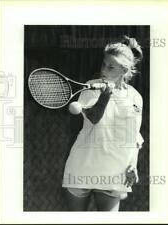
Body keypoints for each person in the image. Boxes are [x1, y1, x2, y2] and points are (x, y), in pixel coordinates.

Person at [62, 36, 144, 211]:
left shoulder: (136, 97)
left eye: (111, 66)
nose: (104, 70)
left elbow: (134, 137)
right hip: (81, 168)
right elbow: (93, 118)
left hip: (114, 172)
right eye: (103, 64)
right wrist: (106, 95)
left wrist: (133, 164)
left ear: (124, 70)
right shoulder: (91, 87)